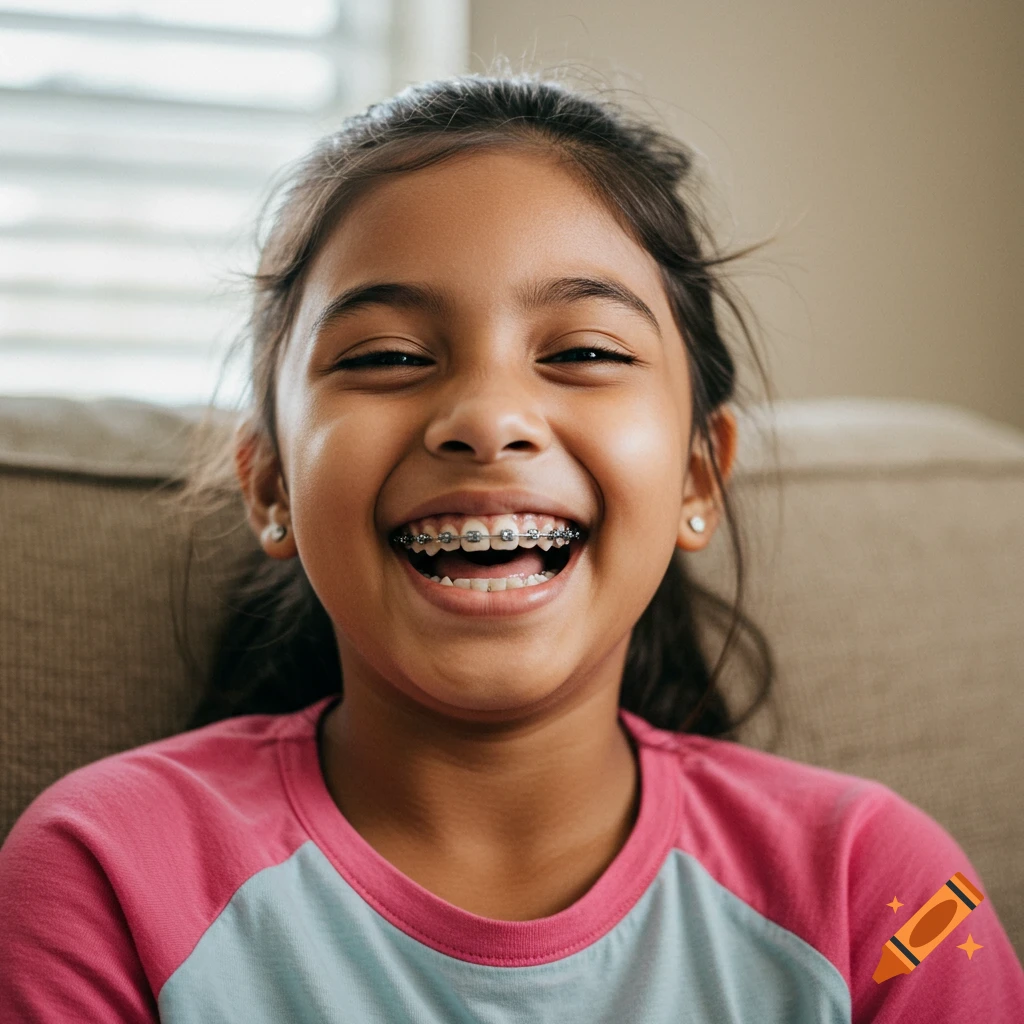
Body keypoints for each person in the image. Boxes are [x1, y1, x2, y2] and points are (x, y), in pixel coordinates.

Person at [1, 71, 1022, 1023]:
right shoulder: (105, 872)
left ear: (697, 478)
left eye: (582, 351)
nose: (487, 419)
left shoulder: (878, 893)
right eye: (389, 356)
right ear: (268, 481)